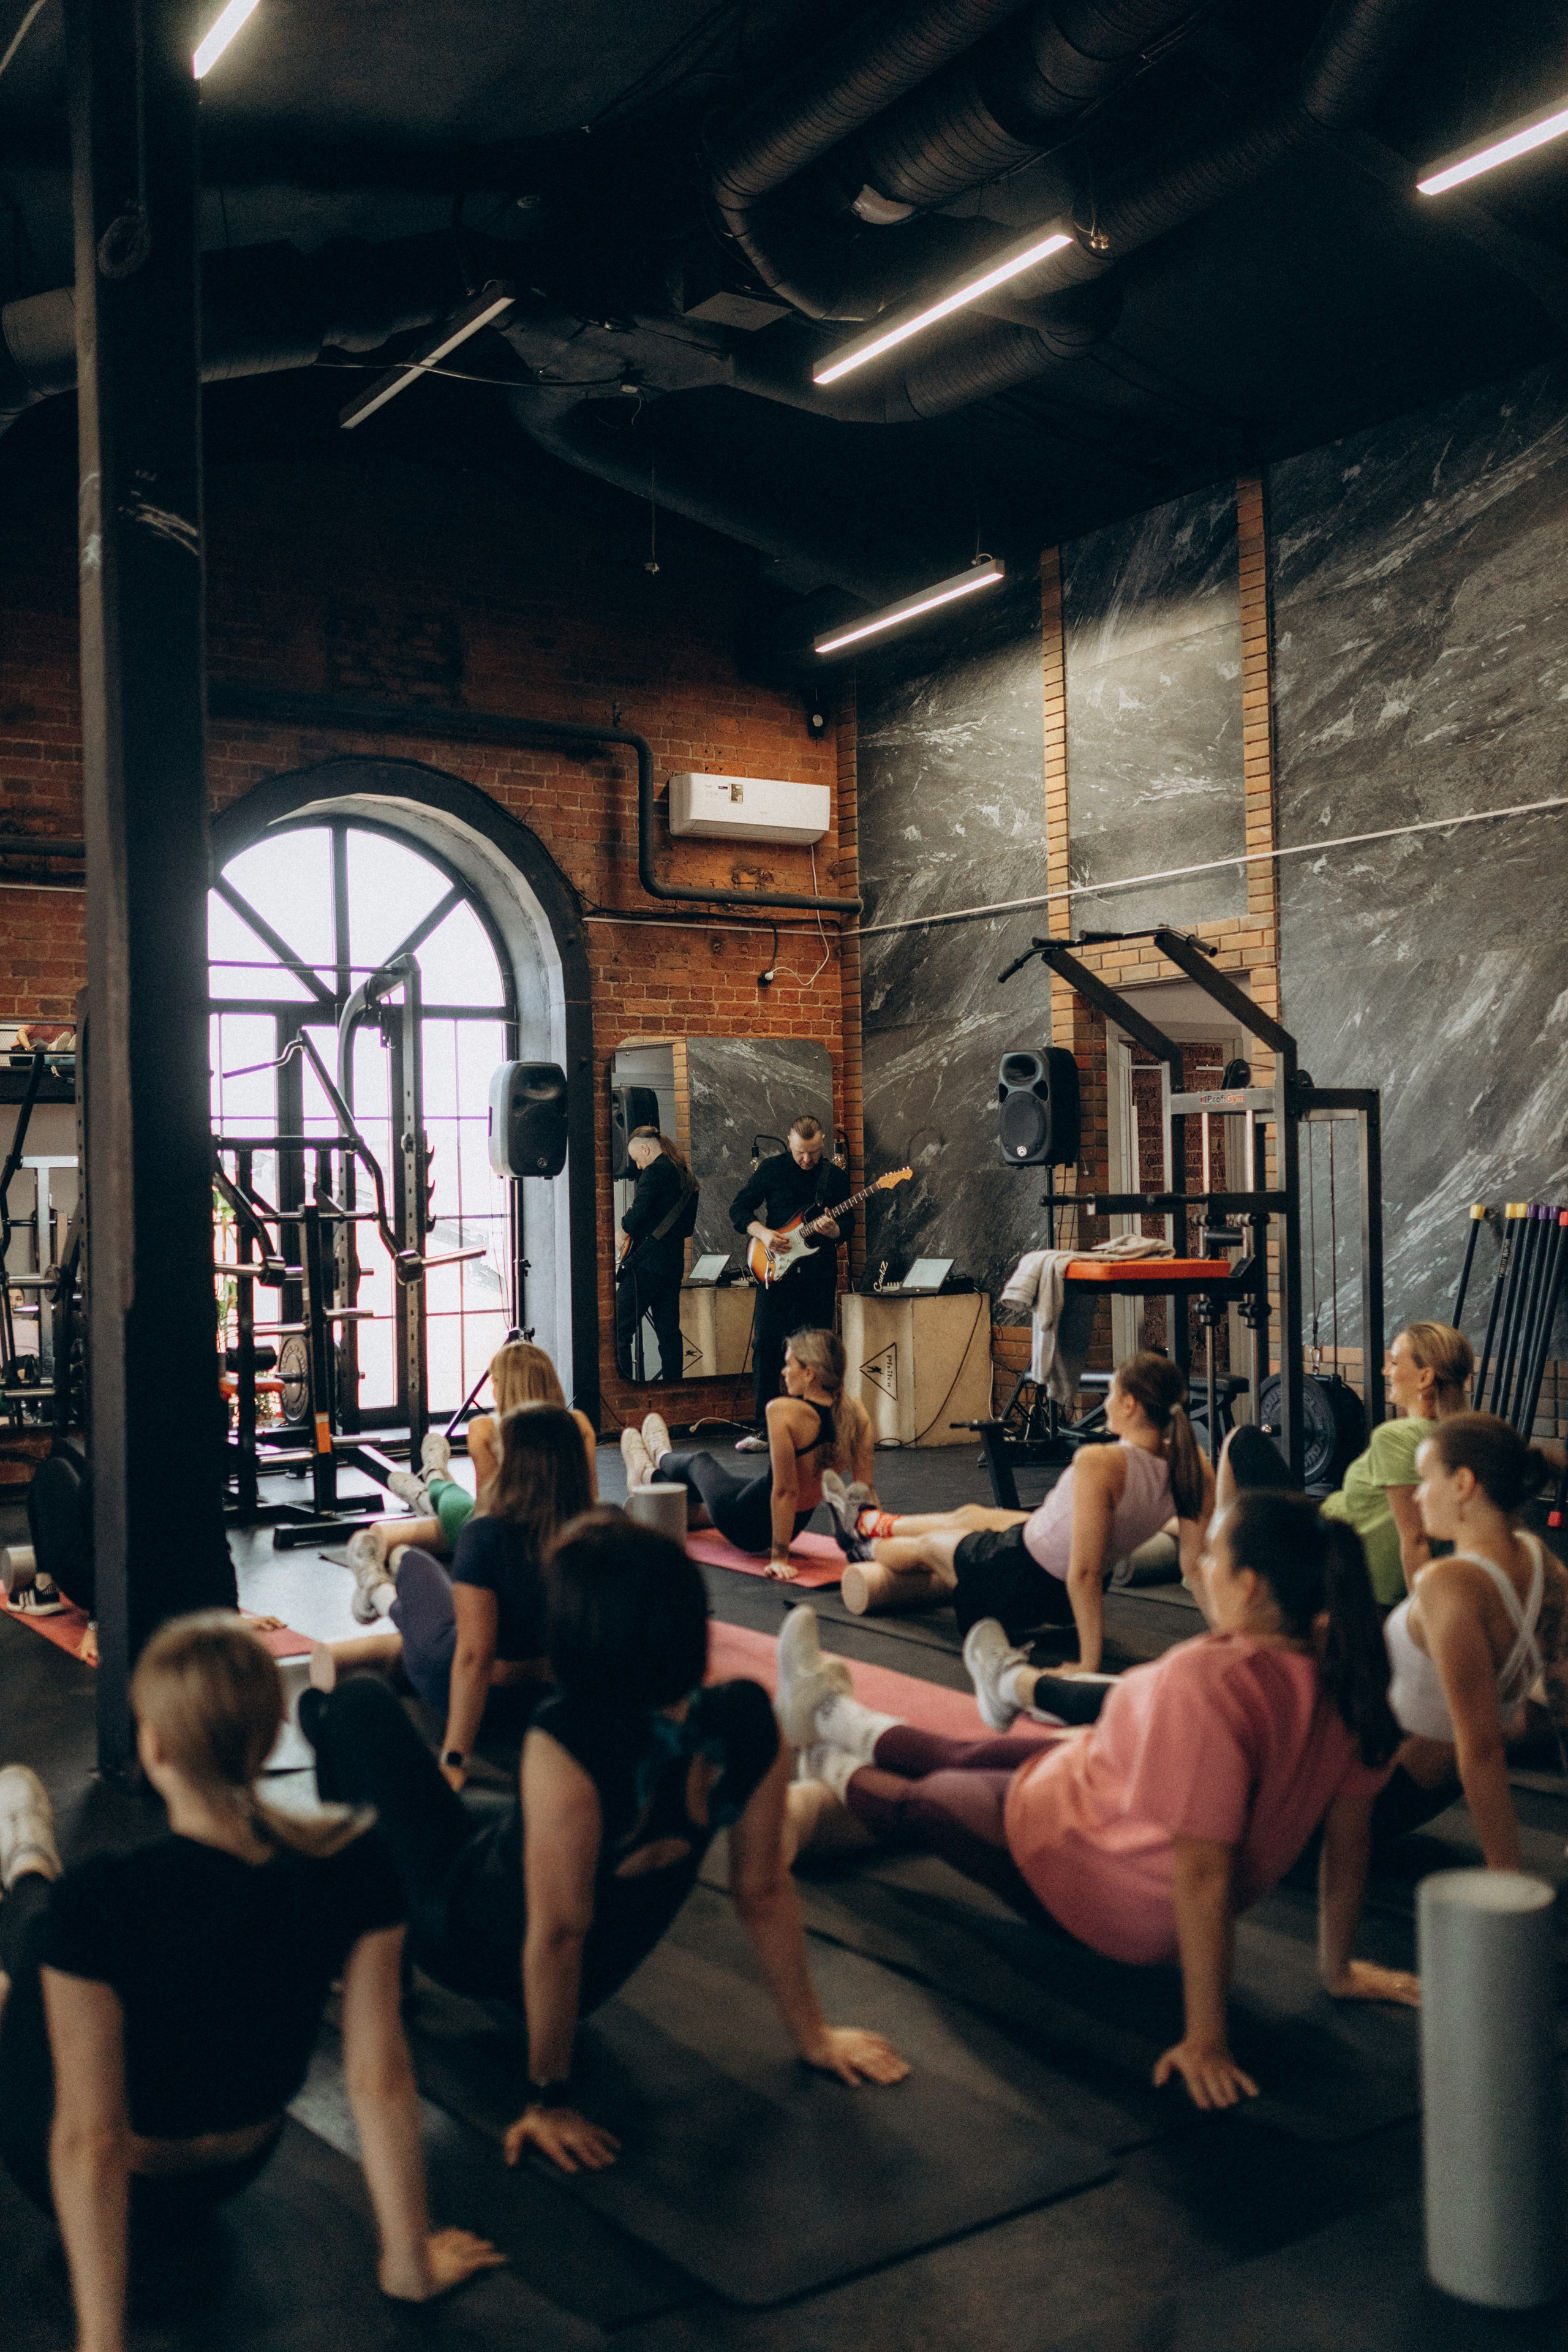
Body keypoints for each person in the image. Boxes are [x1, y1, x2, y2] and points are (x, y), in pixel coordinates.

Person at [780, 1485, 1417, 2111]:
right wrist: (1339, 1968)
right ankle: (828, 1711)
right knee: (965, 1756)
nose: (1199, 1567)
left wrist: (1206, 2040)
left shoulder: (1213, 1684)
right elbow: (1350, 1840)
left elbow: (1203, 1874)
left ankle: (826, 1760)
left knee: (925, 1805)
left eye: (1213, 1556)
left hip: (1088, 1870)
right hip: (1093, 1784)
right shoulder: (1347, 1675)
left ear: (1249, 1586)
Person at [301, 1513, 908, 2169]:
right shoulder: (744, 1717)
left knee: (352, 1705)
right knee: (471, 1809)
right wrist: (814, 2036)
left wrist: (547, 2098)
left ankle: (357, 1956)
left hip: (468, 1940)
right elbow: (761, 1890)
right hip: (583, 1967)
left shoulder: (570, 1739)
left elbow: (558, 1934)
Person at [0, 1615, 501, 2346]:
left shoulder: (103, 1899)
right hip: (235, 2167)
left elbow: (90, 2141)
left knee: (36, 1939)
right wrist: (410, 2265)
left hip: (87, 2170)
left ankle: (24, 1861)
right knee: (53, 1946)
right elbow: (381, 2079)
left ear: (154, 1746)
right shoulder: (355, 1866)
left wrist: (101, 2344)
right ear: (270, 1738)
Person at [824, 1351, 1213, 1672]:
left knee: (929, 1546)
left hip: (1016, 1580)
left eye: (1111, 1392)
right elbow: (1196, 1566)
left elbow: (1085, 1572)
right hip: (1053, 1582)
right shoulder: (1193, 1462)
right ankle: (867, 1520)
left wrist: (1088, 1663)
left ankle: (860, 1545)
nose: (1106, 1401)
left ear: (1129, 1404)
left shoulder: (1102, 1462)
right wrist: (1233, 1638)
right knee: (971, 1515)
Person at [313, 1404, 594, 1793]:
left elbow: (474, 1657)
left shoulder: (487, 1536)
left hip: (474, 1692)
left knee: (411, 1561)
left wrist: (454, 1758)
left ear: (514, 1463)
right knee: (437, 1592)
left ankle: (376, 1588)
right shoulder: (604, 1532)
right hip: (556, 1704)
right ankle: (393, 1557)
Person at [1375, 1412, 1568, 1866]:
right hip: (1423, 1792)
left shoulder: (1448, 1583)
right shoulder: (1542, 1561)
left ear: (1463, 1483)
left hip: (1371, 1793)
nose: (1417, 1495)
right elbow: (1563, 1701)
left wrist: (1506, 1876)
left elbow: (1481, 1750)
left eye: (1425, 1478)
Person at [1220, 1322, 1473, 1605]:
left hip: (1323, 1555)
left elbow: (1414, 1538)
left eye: (1394, 1362)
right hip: (1331, 1534)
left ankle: (1219, 1561)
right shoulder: (1460, 1437)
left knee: (1241, 1440)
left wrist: (1418, 1617)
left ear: (1425, 1377)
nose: (1385, 1371)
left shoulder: (1397, 1437)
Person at [621, 1327, 876, 1577]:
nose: (783, 1371)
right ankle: (673, 1505)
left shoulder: (783, 1411)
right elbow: (864, 1492)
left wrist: (779, 1559)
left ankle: (651, 1468)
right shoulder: (857, 1414)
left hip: (742, 1521)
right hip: (794, 1525)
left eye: (789, 1365)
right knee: (709, 1493)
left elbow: (786, 1491)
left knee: (699, 1462)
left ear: (809, 1373)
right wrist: (873, 1544)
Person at [360, 1338, 598, 1585]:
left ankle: (431, 1477)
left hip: (502, 1531)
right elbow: (590, 1497)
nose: (493, 1391)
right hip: (560, 1527)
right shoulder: (580, 1423)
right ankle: (430, 1476)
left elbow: (486, 1510)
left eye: (495, 1382)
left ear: (507, 1386)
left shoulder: (485, 1429)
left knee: (450, 1498)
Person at [729, 1116, 852, 1450]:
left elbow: (849, 1225)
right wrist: (763, 1233)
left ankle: (816, 1428)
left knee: (817, 1355)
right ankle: (765, 1430)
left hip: (817, 1277)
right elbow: (738, 1209)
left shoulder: (834, 1177)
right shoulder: (771, 1169)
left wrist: (835, 1231)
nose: (806, 1159)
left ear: (822, 1142)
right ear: (790, 1141)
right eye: (800, 1152)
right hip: (774, 1273)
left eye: (813, 1152)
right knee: (766, 1348)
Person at [616, 1128, 698, 1384]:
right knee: (669, 1334)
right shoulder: (686, 1175)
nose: (638, 1166)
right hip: (672, 1267)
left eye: (637, 1159)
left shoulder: (654, 1171)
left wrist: (623, 1230)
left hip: (645, 1267)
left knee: (618, 1330)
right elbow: (687, 1228)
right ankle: (673, 1389)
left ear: (646, 1149)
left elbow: (639, 1211)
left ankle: (625, 1389)